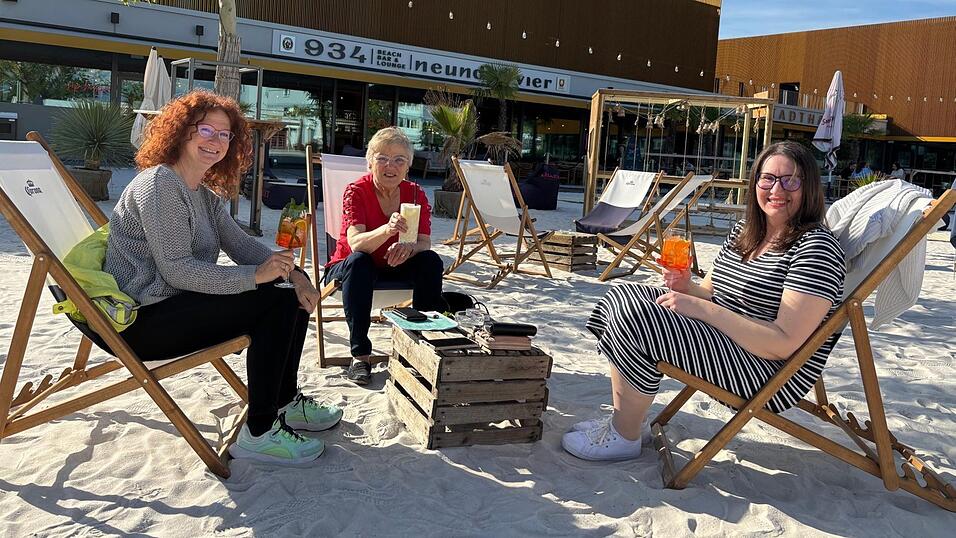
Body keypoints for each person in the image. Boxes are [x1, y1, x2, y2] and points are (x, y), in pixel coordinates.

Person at [563, 141, 846, 461]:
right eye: (767, 179)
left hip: (764, 368)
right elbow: (711, 290)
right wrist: (687, 286)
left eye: (789, 180)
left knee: (638, 316)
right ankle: (626, 419)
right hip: (723, 339)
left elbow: (783, 343)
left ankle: (624, 434)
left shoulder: (816, 249)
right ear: (755, 183)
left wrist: (698, 307)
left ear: (808, 187)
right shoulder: (747, 230)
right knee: (623, 294)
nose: (776, 188)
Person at [105, 90, 341, 466]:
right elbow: (177, 269)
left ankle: (283, 400)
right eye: (206, 130)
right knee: (275, 298)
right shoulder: (160, 186)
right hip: (143, 319)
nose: (216, 141)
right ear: (182, 133)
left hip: (177, 305)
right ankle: (261, 432)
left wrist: (294, 274)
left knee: (286, 292)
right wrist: (258, 277)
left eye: (225, 134)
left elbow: (242, 246)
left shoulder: (202, 193)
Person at [323, 127, 445, 386]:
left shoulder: (415, 194)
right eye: (382, 158)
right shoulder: (356, 191)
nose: (391, 166)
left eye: (399, 159)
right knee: (359, 262)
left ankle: (422, 346)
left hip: (395, 268)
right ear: (370, 162)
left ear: (408, 166)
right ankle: (361, 355)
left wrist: (409, 249)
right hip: (349, 271)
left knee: (431, 261)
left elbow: (424, 242)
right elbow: (356, 243)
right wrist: (388, 229)